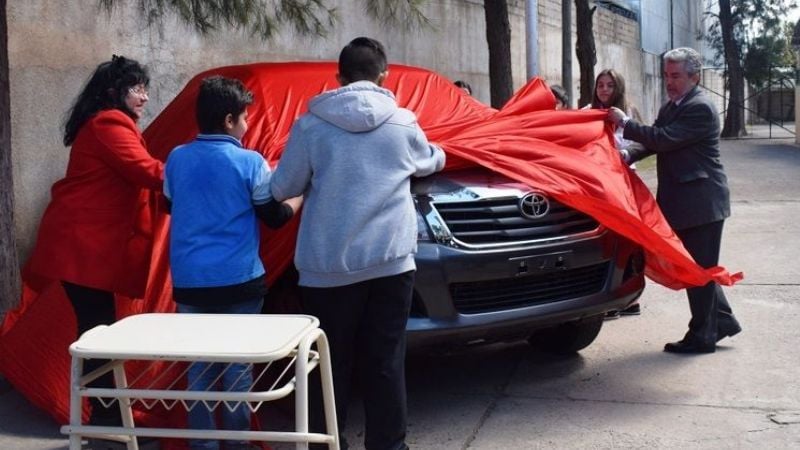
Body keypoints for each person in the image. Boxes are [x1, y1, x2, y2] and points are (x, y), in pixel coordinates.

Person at [270, 37, 446, 449]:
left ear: (338, 77)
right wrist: (434, 155)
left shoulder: (310, 126)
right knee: (386, 360)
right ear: (384, 76)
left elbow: (282, 187)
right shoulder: (403, 122)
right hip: (390, 263)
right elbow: (430, 160)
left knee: (328, 364)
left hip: (327, 268)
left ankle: (326, 443)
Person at [164, 76, 301, 450]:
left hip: (191, 281)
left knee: (199, 364)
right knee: (237, 364)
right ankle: (238, 443)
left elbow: (170, 204)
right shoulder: (251, 162)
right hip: (239, 281)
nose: (247, 124)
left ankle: (203, 445)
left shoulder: (176, 158)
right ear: (229, 120)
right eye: (245, 117)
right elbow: (273, 216)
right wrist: (299, 198)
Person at [25, 55, 163, 425]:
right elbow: (148, 171)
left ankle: (105, 415)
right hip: (82, 247)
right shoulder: (109, 124)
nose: (145, 97)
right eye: (137, 89)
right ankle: (105, 418)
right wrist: (197, 167)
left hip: (82, 246)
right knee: (97, 332)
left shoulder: (106, 123)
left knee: (96, 329)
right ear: (115, 92)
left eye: (145, 89)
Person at [607, 47, 742, 354]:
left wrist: (626, 123)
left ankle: (702, 336)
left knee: (698, 270)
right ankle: (721, 321)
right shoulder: (673, 106)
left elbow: (664, 138)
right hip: (685, 201)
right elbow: (655, 139)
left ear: (695, 77)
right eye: (667, 75)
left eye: (676, 76)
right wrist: (627, 154)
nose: (669, 82)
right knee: (696, 267)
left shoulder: (700, 107)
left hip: (702, 202)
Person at [584, 69, 643, 318]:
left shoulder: (628, 112)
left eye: (610, 85)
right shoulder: (587, 112)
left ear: (618, 88)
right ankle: (605, 299)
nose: (605, 90)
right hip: (598, 186)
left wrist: (624, 152)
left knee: (628, 239)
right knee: (604, 241)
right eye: (601, 85)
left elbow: (643, 140)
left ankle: (629, 298)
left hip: (624, 183)